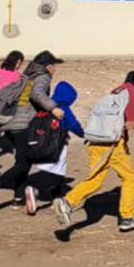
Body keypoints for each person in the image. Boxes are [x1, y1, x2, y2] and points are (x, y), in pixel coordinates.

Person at [55, 70, 134, 233]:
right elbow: (131, 119)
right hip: (114, 144)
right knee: (128, 179)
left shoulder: (113, 94)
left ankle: (68, 202)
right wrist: (131, 123)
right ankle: (127, 217)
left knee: (95, 180)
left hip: (95, 141)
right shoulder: (132, 94)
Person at [0, 51, 65, 212]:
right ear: (48, 66)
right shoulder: (42, 77)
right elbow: (37, 94)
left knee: (22, 161)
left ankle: (18, 198)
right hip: (22, 125)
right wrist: (53, 108)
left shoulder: (27, 76)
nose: (55, 68)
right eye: (54, 64)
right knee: (24, 162)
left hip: (10, 123)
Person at [24, 81, 85, 216]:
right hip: (57, 144)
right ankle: (36, 190)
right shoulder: (63, 108)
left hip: (40, 143)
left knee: (47, 169)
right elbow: (73, 125)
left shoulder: (46, 106)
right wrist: (85, 135)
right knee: (57, 173)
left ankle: (55, 197)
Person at [0, 50, 25, 161]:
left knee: (4, 126)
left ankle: (13, 148)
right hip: (7, 104)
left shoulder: (0, 70)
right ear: (17, 62)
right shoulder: (17, 75)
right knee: (2, 126)